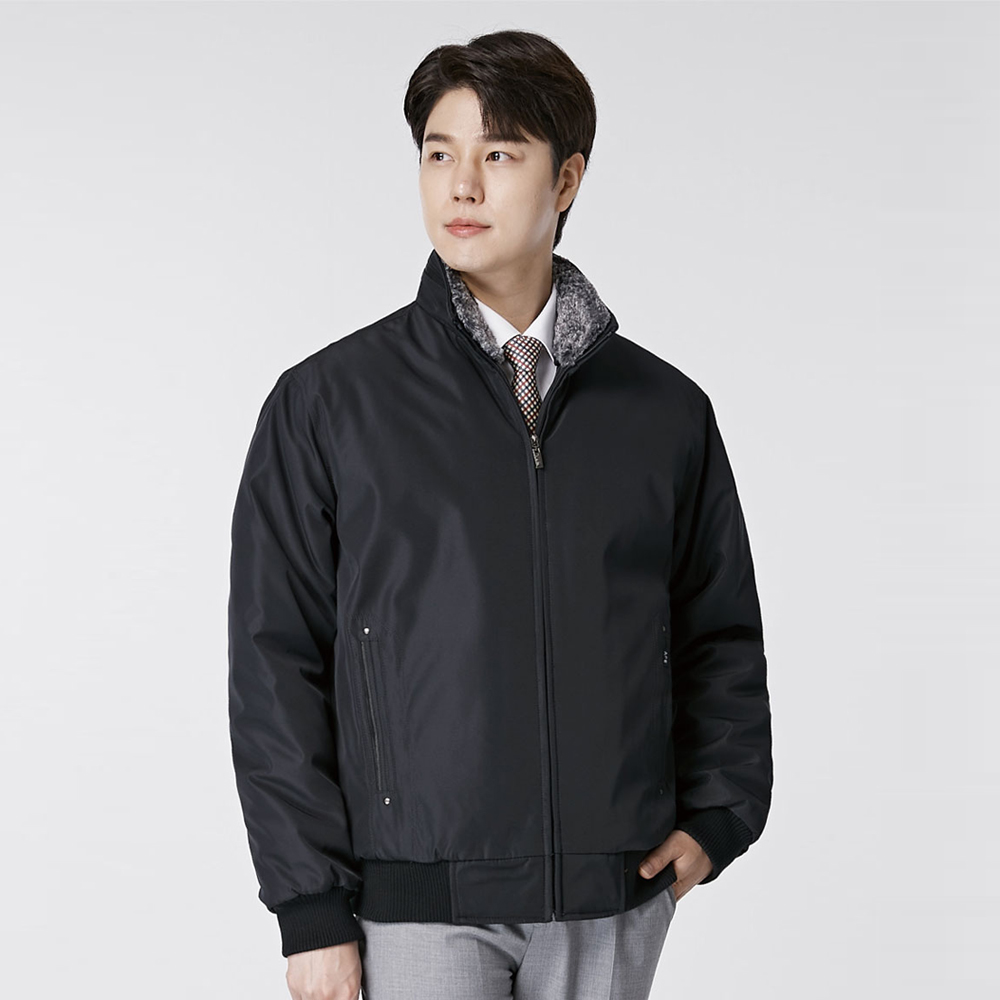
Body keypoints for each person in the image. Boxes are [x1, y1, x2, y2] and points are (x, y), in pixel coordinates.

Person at [228, 28, 772, 1000]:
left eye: (499, 154)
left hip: (611, 896)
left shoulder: (663, 411)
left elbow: (716, 629)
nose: (462, 186)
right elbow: (276, 664)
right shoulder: (330, 403)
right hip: (415, 901)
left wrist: (719, 812)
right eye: (439, 154)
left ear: (566, 180)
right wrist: (309, 908)